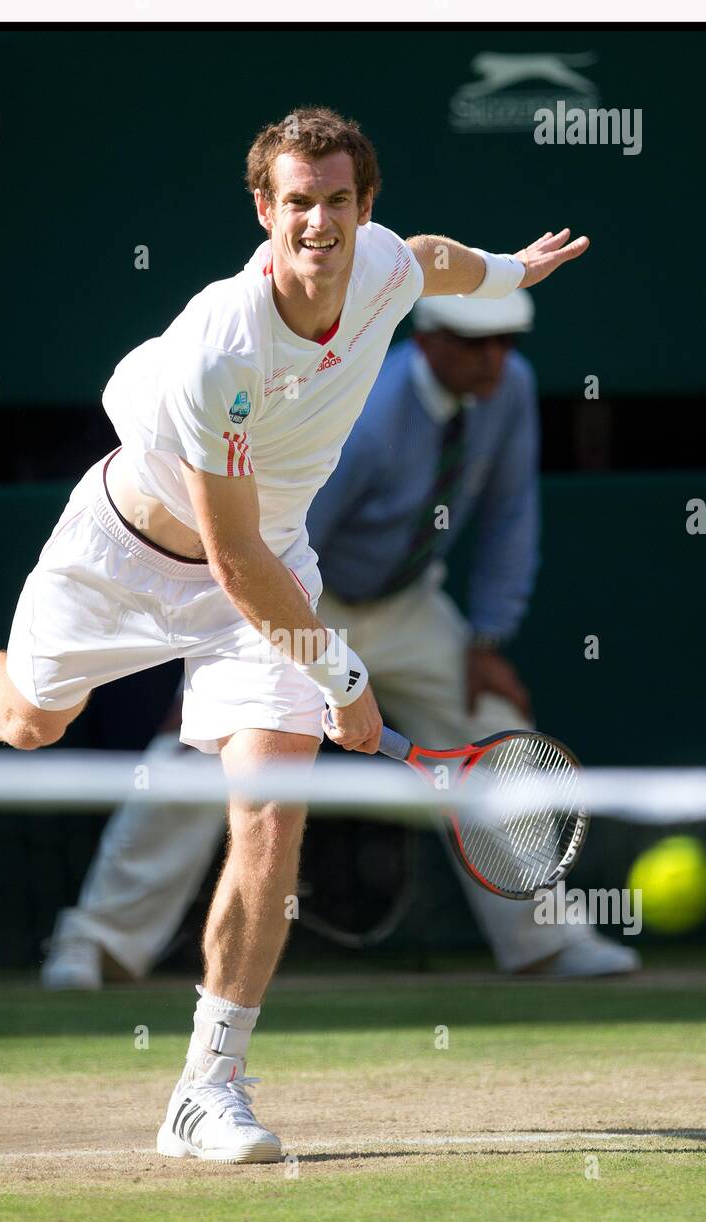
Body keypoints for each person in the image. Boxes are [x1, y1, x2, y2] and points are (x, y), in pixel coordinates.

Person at [0, 107, 589, 1163]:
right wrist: (342, 672)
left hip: (266, 571)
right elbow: (233, 561)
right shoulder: (222, 343)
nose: (318, 223)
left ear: (363, 207)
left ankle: (205, 1089)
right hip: (126, 558)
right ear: (263, 209)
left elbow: (432, 261)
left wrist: (505, 270)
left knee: (268, 813)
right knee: (33, 716)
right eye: (296, 203)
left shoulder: (385, 266)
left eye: (337, 201)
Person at [41, 291, 638, 990]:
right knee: (200, 749)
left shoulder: (509, 390)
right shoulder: (369, 417)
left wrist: (486, 637)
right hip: (300, 597)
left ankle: (546, 941)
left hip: (408, 605)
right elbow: (278, 544)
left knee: (491, 725)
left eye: (507, 342)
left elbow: (512, 513)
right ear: (430, 338)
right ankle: (96, 943)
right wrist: (223, 662)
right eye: (478, 344)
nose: (495, 358)